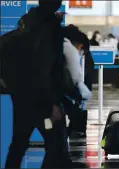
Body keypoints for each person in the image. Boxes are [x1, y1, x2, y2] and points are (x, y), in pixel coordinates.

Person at [4, 0, 71, 168]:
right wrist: (53, 103)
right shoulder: (48, 31)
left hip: (21, 96)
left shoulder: (27, 24)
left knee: (19, 144)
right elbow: (46, 68)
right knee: (56, 143)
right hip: (43, 98)